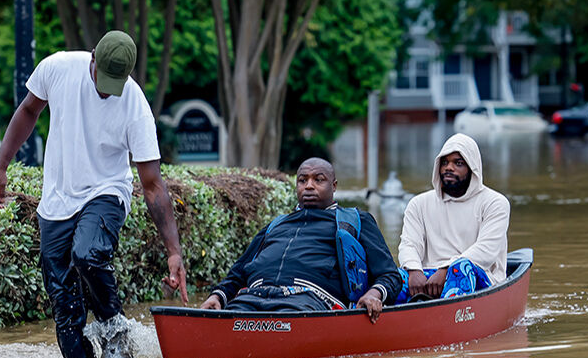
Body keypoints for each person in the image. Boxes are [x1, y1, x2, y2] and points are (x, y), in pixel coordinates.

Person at [0, 30, 188, 358]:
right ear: (92, 58)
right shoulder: (58, 68)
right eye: (102, 78)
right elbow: (28, 110)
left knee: (88, 254)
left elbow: (152, 184)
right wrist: (0, 165)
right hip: (56, 201)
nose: (107, 90)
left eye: (115, 83)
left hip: (106, 192)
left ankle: (116, 336)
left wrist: (174, 252)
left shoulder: (135, 105)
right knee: (64, 312)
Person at [200, 157, 402, 322]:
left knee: (281, 323)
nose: (309, 186)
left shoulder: (356, 220)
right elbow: (237, 273)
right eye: (302, 180)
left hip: (308, 302)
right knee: (225, 319)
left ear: (334, 186)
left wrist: (374, 294)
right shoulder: (276, 224)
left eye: (318, 180)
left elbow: (390, 276)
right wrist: (217, 296)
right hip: (251, 298)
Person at [396, 133, 509, 302]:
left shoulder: (495, 203)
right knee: (392, 276)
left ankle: (446, 321)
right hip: (428, 277)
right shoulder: (419, 204)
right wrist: (414, 270)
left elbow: (486, 251)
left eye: (458, 163)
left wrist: (446, 270)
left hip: (480, 277)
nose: (449, 167)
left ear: (472, 168)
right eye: (444, 162)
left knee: (460, 268)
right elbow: (409, 245)